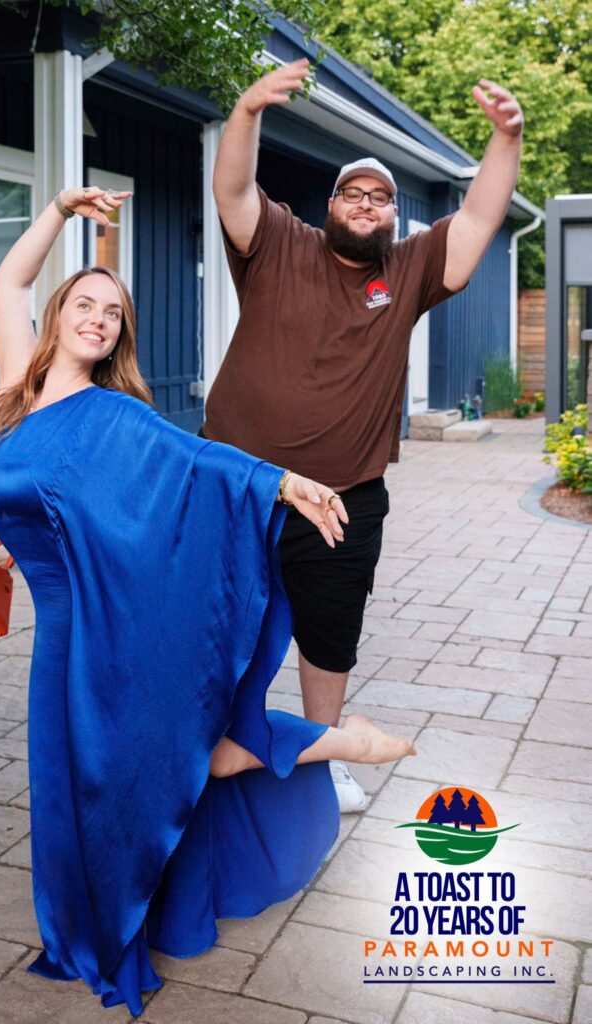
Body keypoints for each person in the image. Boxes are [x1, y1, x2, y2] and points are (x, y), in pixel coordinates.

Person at [0, 186, 416, 1015]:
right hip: (60, 634)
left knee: (158, 760)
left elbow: (202, 462)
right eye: (86, 304)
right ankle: (82, 924)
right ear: (60, 314)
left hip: (118, 622)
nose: (99, 319)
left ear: (117, 339)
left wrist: (283, 482)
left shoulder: (116, 415)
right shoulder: (15, 397)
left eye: (113, 314)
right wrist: (62, 213)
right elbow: (6, 283)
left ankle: (326, 742)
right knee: (79, 783)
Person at [204, 60, 524, 812]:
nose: (368, 204)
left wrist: (505, 139)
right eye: (354, 192)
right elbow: (231, 190)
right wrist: (246, 109)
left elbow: (477, 218)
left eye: (381, 198)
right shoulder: (278, 243)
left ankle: (324, 753)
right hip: (234, 483)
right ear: (330, 204)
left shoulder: (408, 271)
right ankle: (204, 741)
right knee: (215, 621)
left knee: (330, 633)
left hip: (344, 496)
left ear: (392, 219)